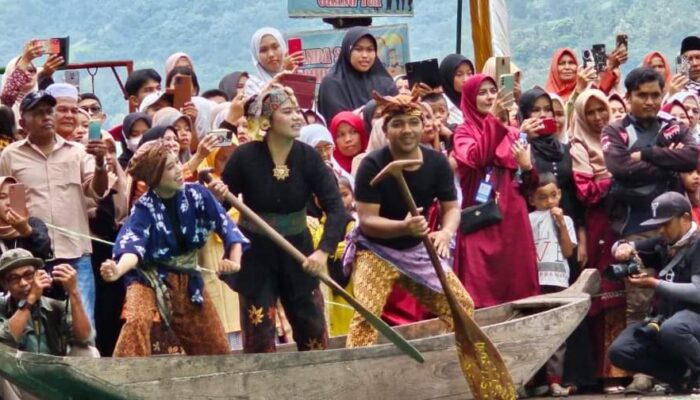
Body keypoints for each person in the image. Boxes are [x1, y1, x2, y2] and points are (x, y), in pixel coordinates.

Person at [221, 85, 345, 353]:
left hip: (299, 253)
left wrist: (322, 253)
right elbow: (217, 210)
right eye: (288, 112)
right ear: (266, 121)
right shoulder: (244, 157)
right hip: (255, 254)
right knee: (259, 338)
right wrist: (232, 248)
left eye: (297, 111)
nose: (297, 117)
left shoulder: (309, 157)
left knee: (313, 334)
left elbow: (336, 208)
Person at [345, 91, 474, 347]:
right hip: (376, 249)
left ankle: (456, 364)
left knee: (462, 306)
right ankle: (356, 377)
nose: (407, 130)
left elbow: (451, 208)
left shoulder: (436, 163)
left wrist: (446, 232)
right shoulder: (371, 164)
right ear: (386, 129)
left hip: (417, 247)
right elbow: (367, 220)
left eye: (413, 122)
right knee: (366, 317)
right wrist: (403, 226)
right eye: (398, 124)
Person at [99, 139, 248, 357]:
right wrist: (118, 270)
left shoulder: (198, 194)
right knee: (137, 319)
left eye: (177, 163)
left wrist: (234, 261)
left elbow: (229, 231)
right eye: (170, 168)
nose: (179, 170)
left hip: (188, 279)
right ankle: (126, 375)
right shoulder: (143, 209)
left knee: (215, 348)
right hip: (147, 278)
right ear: (154, 178)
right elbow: (132, 248)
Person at [603, 67, 698, 393]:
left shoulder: (674, 126)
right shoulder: (615, 130)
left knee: (684, 298)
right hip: (636, 226)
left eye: (656, 94)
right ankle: (643, 374)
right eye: (642, 95)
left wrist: (646, 154)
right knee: (640, 301)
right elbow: (619, 167)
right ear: (628, 97)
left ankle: (684, 369)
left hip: (679, 226)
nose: (650, 101)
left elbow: (693, 156)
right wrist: (667, 159)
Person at [0, 91, 109, 328]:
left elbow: (97, 191)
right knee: (37, 327)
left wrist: (101, 163)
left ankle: (82, 366)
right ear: (23, 122)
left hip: (75, 256)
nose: (46, 117)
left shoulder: (78, 152)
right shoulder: (10, 156)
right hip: (31, 259)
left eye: (49, 112)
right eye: (38, 113)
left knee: (83, 326)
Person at [452, 74, 539, 308]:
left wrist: (527, 166)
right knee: (478, 285)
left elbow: (530, 183)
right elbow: (476, 158)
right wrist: (493, 121)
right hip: (479, 217)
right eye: (482, 93)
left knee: (518, 283)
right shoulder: (463, 132)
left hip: (512, 217)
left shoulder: (512, 133)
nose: (490, 97)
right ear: (469, 98)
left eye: (493, 91)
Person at [608, 192, 700, 394]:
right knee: (620, 351)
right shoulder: (664, 242)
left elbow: (697, 291)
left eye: (666, 224)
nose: (661, 230)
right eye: (658, 224)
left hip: (692, 320)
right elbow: (619, 246)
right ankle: (680, 377)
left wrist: (654, 284)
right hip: (670, 321)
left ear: (685, 218)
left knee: (673, 329)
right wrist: (623, 248)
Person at [569, 89, 627, 391]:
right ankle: (605, 372)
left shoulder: (619, 137)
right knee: (603, 296)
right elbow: (585, 192)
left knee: (628, 293)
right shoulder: (578, 145)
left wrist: (607, 176)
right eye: (589, 112)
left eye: (601, 110)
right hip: (599, 227)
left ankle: (627, 368)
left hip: (624, 224)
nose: (597, 118)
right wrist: (615, 178)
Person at [0, 248, 97, 400]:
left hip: (55, 381)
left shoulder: (55, 304)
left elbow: (85, 338)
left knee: (89, 351)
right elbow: (5, 339)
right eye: (14, 278)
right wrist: (30, 300)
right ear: (5, 284)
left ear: (39, 275)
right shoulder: (2, 306)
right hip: (21, 384)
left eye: (28, 275)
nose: (23, 283)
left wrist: (73, 292)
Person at [528, 172, 577, 396]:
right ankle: (531, 382)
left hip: (558, 282)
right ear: (532, 200)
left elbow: (568, 251)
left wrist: (561, 225)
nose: (549, 202)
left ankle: (554, 380)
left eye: (553, 195)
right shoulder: (528, 219)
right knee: (533, 332)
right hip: (535, 283)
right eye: (542, 197)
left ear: (560, 194)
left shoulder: (566, 220)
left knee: (557, 332)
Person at [318, 26, 397, 123]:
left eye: (370, 50)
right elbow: (338, 123)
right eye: (358, 49)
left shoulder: (385, 82)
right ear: (348, 51)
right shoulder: (332, 84)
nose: (365, 55)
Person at [244, 27, 303, 97]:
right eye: (263, 50)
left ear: (283, 48)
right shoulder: (252, 84)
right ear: (256, 55)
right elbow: (259, 105)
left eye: (275, 47)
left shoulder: (298, 76)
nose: (271, 54)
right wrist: (283, 74)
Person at [438, 54, 475, 124]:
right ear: (447, 78)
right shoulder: (440, 106)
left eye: (469, 73)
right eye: (459, 74)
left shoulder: (477, 100)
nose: (466, 79)